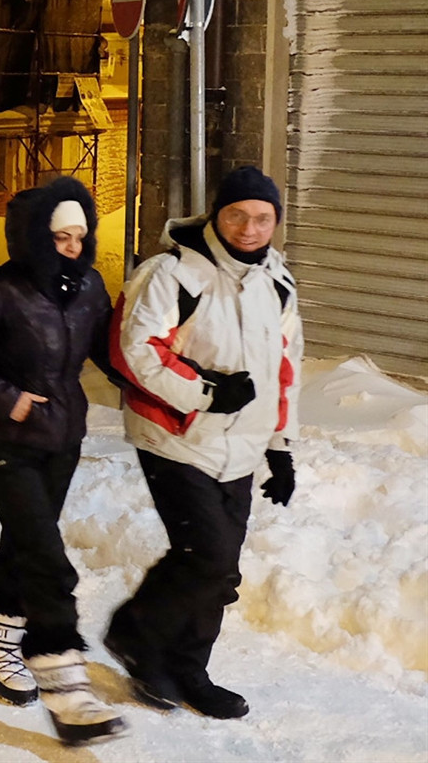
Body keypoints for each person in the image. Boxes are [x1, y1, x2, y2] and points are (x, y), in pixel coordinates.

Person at [104, 165, 302, 721]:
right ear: (216, 214)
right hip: (176, 437)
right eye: (237, 214)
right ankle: (135, 635)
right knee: (206, 557)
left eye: (262, 218)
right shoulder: (172, 273)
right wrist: (207, 391)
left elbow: (285, 369)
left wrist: (281, 446)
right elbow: (134, 350)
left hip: (240, 447)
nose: (249, 227)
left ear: (275, 222)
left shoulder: (277, 283)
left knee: (220, 570)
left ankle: (189, 667)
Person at [0, 178, 126, 744]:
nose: (71, 247)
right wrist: (7, 398)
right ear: (34, 238)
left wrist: (157, 387)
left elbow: (105, 352)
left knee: (25, 543)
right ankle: (66, 685)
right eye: (59, 237)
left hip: (63, 439)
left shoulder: (88, 286)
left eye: (79, 236)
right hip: (7, 443)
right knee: (45, 556)